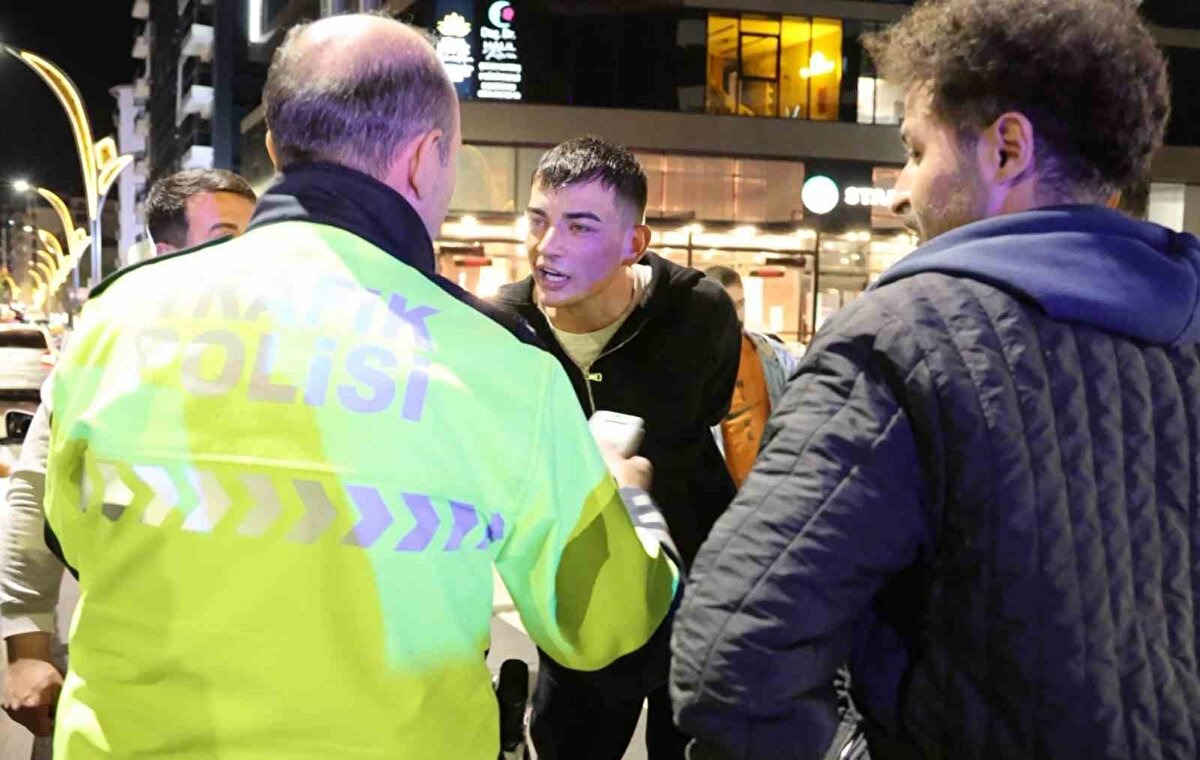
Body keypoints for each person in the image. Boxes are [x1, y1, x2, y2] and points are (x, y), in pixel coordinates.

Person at [35, 16, 679, 760]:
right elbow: (607, 624)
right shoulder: (499, 364)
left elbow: (72, 532)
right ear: (424, 158)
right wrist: (626, 494)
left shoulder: (119, 314)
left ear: (276, 148)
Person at [670, 1, 1199, 759]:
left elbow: (734, 656)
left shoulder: (900, 341)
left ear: (1007, 148)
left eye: (916, 152)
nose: (897, 191)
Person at [495, 136, 741, 760]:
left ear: (635, 242)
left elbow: (712, 408)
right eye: (539, 220)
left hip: (697, 578)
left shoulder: (699, 310)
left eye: (580, 227)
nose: (548, 247)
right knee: (569, 741)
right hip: (581, 584)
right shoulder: (507, 328)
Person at [1, 167, 257, 742]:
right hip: (133, 694)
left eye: (257, 236)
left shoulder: (304, 352)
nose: (249, 256)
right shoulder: (110, 350)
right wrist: (26, 647)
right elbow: (34, 488)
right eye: (224, 235)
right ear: (165, 253)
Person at [703, 265, 797, 487]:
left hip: (767, 488)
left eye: (741, 304)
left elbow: (798, 416)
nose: (736, 315)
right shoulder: (692, 365)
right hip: (717, 493)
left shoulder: (773, 355)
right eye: (726, 306)